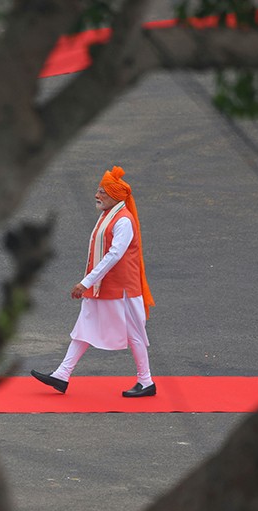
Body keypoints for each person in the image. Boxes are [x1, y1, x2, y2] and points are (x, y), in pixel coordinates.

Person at [31, 166, 156, 397]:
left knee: (134, 333)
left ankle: (146, 381)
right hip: (104, 288)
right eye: (98, 191)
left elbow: (114, 255)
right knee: (84, 327)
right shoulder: (109, 215)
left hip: (121, 290)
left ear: (115, 196)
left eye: (102, 192)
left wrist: (86, 282)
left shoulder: (123, 221)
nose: (97, 195)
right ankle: (62, 374)